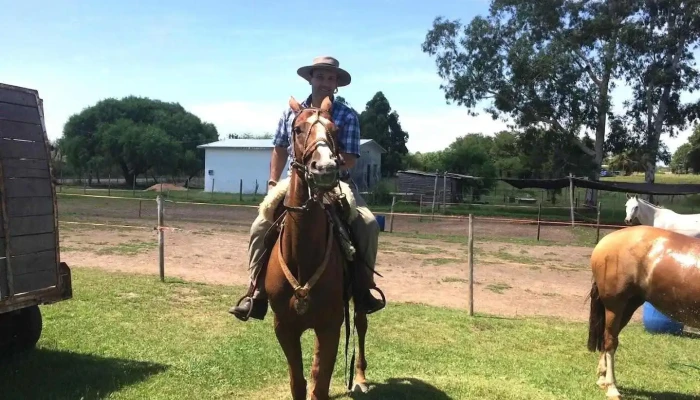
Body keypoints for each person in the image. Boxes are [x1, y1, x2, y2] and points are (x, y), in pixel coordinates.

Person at [229, 56, 386, 321]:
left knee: (368, 224)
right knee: (259, 226)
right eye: (320, 76)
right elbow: (280, 148)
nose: (325, 82)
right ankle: (255, 292)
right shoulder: (291, 113)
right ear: (310, 79)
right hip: (297, 179)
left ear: (337, 84)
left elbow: (350, 158)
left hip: (336, 180)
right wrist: (271, 182)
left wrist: (327, 165)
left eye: (331, 78)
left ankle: (363, 288)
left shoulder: (347, 116)